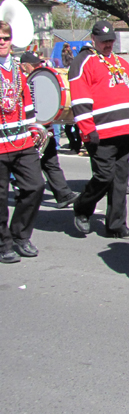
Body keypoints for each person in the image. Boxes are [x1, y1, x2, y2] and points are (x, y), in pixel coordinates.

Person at [69, 20, 129, 239]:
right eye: (103, 41)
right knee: (104, 177)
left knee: (120, 181)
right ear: (93, 39)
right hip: (101, 133)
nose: (108, 45)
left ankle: (116, 224)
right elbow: (79, 99)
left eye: (111, 40)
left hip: (125, 132)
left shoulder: (121, 63)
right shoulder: (83, 61)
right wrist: (88, 130)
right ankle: (82, 207)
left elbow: (128, 94)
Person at [0, 24, 45, 263]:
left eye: (6, 38)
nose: (2, 42)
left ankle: (20, 235)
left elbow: (27, 103)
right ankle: (3, 243)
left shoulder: (19, 71)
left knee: (35, 187)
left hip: (21, 142)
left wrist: (34, 126)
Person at [19, 52, 79, 209]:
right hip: (26, 131)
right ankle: (21, 189)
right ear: (24, 66)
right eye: (35, 65)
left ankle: (63, 194)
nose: (39, 67)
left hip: (44, 129)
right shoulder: (18, 81)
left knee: (50, 161)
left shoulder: (40, 78)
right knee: (25, 165)